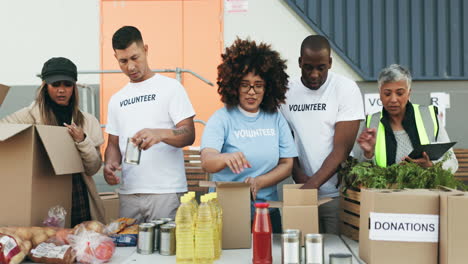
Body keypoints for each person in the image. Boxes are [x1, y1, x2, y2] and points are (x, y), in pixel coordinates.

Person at [200, 38, 298, 233]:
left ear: (267, 87)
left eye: (258, 85)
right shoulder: (222, 118)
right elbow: (207, 160)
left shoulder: (276, 119)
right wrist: (224, 157)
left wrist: (259, 182)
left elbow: (287, 165)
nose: (251, 92)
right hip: (226, 211)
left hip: (267, 211)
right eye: (245, 85)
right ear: (234, 85)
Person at [104, 26, 195, 222]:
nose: (130, 67)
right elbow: (113, 144)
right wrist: (110, 164)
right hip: (129, 194)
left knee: (166, 252)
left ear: (145, 49)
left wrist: (161, 134)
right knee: (127, 251)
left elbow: (188, 133)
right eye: (123, 61)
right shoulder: (116, 99)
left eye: (135, 58)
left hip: (166, 192)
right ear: (116, 58)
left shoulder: (171, 88)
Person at [0, 57, 105, 226]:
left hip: (78, 195)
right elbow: (3, 132)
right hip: (44, 193)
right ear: (45, 86)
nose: (61, 90)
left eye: (67, 84)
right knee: (48, 247)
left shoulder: (88, 121)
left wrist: (82, 140)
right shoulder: (29, 115)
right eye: (55, 85)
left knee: (81, 247)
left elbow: (93, 168)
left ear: (74, 86)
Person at [280, 35, 365, 234]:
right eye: (308, 67)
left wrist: (311, 185)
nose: (314, 74)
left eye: (321, 68)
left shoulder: (346, 89)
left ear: (330, 63)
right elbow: (285, 143)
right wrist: (300, 179)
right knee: (302, 252)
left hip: (336, 195)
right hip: (301, 190)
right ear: (300, 62)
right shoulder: (286, 91)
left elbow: (342, 149)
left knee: (336, 251)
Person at [354, 64, 458, 171]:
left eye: (399, 93)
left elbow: (452, 163)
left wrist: (431, 166)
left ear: (409, 94)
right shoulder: (372, 123)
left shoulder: (429, 116)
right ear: (380, 95)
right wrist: (368, 155)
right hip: (386, 187)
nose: (393, 99)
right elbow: (358, 170)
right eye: (387, 94)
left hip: (424, 187)